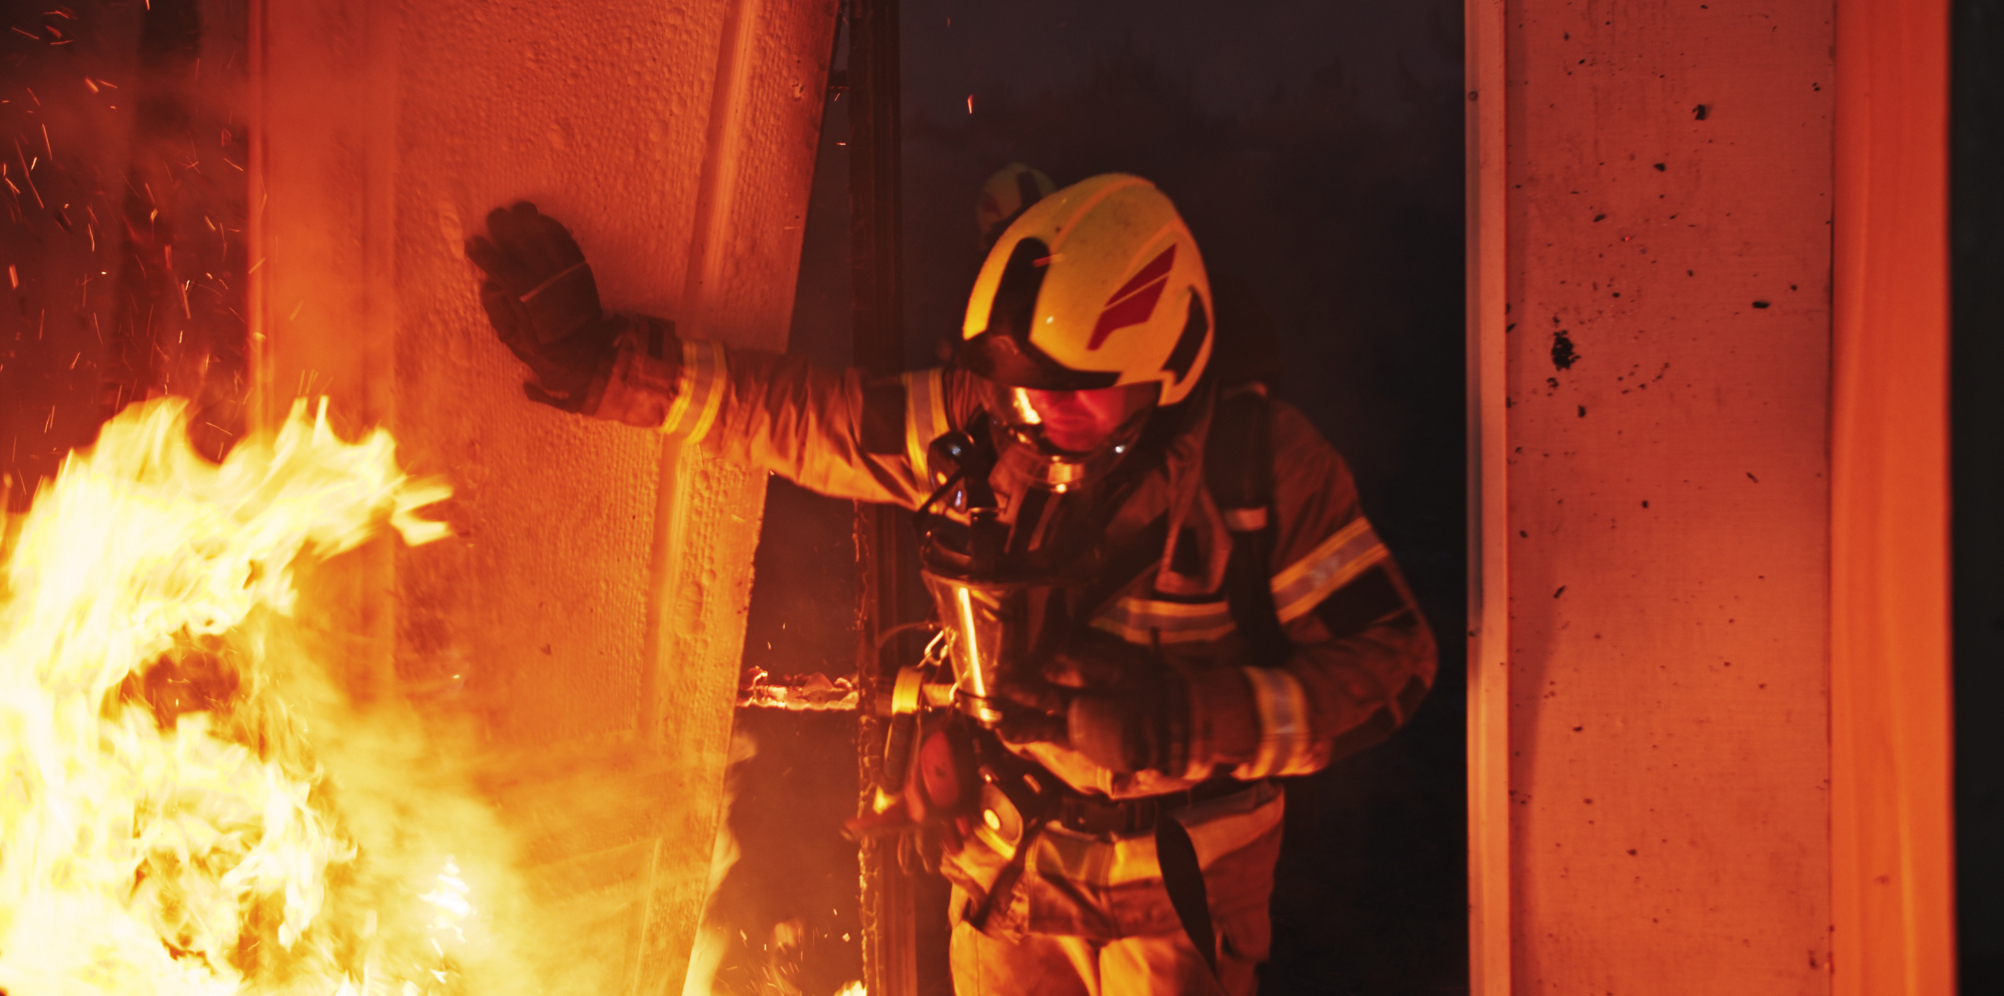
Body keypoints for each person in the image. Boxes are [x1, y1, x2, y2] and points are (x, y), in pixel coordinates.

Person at [464, 174, 1436, 996]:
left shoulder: (1265, 473)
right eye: (1023, 387)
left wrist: (1180, 723)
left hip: (1182, 900)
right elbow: (810, 418)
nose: (1042, 415)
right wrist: (604, 366)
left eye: (1078, 388)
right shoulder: (989, 425)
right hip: (1006, 873)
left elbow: (1396, 665)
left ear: (1171, 360)